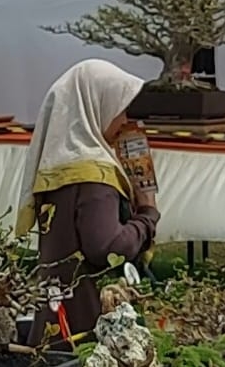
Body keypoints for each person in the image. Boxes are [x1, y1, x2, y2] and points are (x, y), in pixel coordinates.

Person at [15, 59, 160, 341]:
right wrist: (147, 214)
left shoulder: (59, 165)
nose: (124, 120)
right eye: (119, 109)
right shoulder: (94, 177)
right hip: (90, 325)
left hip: (57, 315)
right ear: (96, 107)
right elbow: (108, 249)